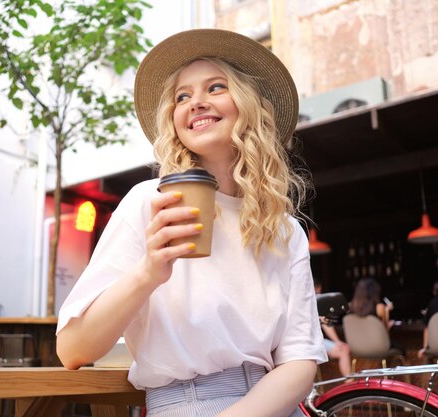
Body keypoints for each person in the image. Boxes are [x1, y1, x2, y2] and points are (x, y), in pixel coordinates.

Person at [56, 28, 327, 417]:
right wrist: (149, 271)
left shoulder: (284, 228)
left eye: (215, 88)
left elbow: (300, 361)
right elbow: (73, 349)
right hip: (186, 405)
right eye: (182, 96)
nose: (196, 102)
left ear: (249, 105)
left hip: (276, 406)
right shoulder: (151, 203)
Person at [313, 279, 351, 377]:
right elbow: (325, 322)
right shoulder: (313, 302)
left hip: (302, 342)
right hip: (310, 342)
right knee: (344, 350)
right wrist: (337, 341)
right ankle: (349, 383)